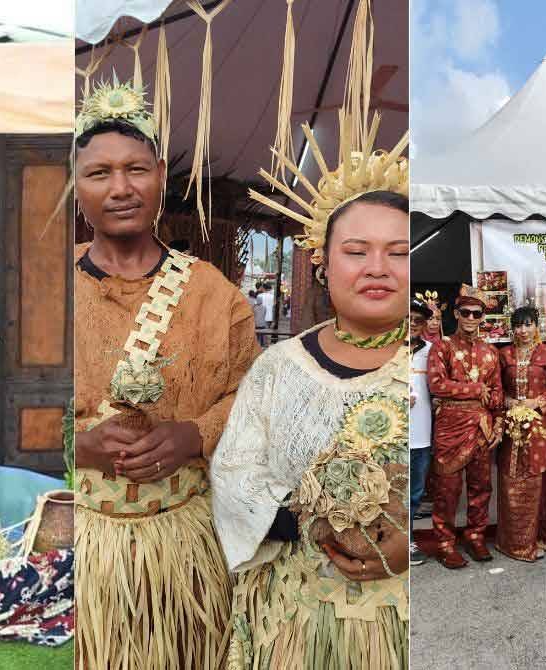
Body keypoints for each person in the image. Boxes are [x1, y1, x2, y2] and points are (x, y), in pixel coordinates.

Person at [70, 78, 258, 670]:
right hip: (80, 547)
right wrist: (75, 445)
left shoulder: (213, 294)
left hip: (185, 548)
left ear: (160, 179)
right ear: (75, 188)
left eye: (136, 169)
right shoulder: (41, 289)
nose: (120, 188)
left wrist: (194, 435)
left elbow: (252, 398)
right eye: (99, 173)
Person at [213, 117, 410, 668]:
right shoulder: (279, 367)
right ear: (322, 263)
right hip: (293, 616)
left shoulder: (428, 365)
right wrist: (311, 522)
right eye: (356, 250)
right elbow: (234, 472)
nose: (378, 268)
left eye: (399, 252)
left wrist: (406, 547)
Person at [427, 284, 503, 569]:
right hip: (451, 427)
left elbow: (496, 394)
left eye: (477, 313)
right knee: (446, 489)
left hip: (482, 428)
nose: (471, 318)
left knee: (481, 487)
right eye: (465, 312)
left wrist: (498, 426)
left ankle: (475, 536)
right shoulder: (442, 346)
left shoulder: (489, 352)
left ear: (483, 316)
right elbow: (436, 384)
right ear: (457, 314)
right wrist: (474, 389)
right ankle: (445, 543)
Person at [495, 307, 546, 561]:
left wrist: (538, 401)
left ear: (537, 326)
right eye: (518, 325)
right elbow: (496, 389)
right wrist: (508, 401)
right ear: (512, 328)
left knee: (538, 481)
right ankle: (510, 541)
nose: (523, 331)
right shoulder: (503, 355)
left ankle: (538, 538)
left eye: (528, 325)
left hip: (538, 428)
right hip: (510, 428)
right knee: (509, 480)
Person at [410, 296, 433, 566]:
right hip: (391, 434)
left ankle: (408, 540)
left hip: (422, 435)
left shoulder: (433, 350)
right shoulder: (387, 348)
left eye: (418, 320)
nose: (413, 324)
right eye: (409, 319)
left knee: (415, 491)